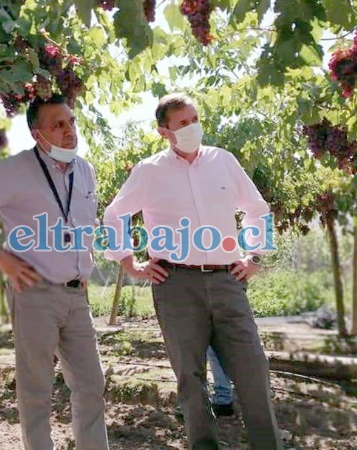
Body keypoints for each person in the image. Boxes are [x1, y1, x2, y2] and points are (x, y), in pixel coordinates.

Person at [103, 93, 282, 450]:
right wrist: (130, 263)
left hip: (227, 279)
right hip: (175, 284)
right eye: (182, 123)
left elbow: (257, 209)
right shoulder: (149, 171)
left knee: (253, 371)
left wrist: (255, 257)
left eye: (195, 119)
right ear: (163, 131)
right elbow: (114, 215)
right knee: (191, 378)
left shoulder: (223, 162)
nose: (192, 127)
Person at [0, 94, 109, 450]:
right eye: (58, 125)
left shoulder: (85, 170)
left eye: (71, 121)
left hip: (77, 296)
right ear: (38, 134)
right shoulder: (15, 170)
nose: (69, 131)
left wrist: (84, 264)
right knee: (36, 391)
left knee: (92, 385)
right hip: (34, 292)